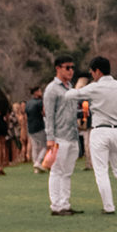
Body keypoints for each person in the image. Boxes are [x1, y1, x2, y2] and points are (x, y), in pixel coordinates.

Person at [71, 57, 117, 214]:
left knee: (101, 171)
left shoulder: (94, 87)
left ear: (97, 71)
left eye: (92, 72)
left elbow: (73, 95)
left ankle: (108, 206)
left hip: (100, 130)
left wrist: (78, 85)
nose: (92, 75)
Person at [43, 55, 82, 217]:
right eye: (67, 67)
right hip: (59, 136)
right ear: (58, 68)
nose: (71, 71)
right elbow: (49, 115)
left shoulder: (70, 87)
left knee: (67, 172)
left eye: (72, 67)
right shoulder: (52, 89)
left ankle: (65, 203)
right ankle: (56, 205)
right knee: (57, 171)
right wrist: (50, 138)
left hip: (72, 135)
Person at [24, 86, 47, 172]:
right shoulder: (40, 102)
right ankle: (38, 161)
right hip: (39, 126)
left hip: (30, 127)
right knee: (44, 146)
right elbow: (44, 113)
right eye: (40, 91)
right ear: (36, 92)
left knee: (35, 147)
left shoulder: (28, 103)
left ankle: (35, 166)